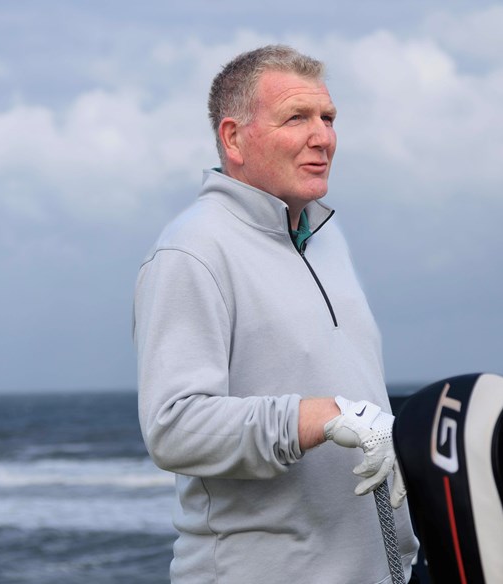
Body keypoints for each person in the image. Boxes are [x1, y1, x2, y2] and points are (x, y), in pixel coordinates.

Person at [133, 45, 419, 583]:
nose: (322, 137)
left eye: (328, 118)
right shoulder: (191, 251)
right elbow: (173, 428)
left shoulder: (325, 239)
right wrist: (317, 416)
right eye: (297, 118)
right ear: (233, 138)